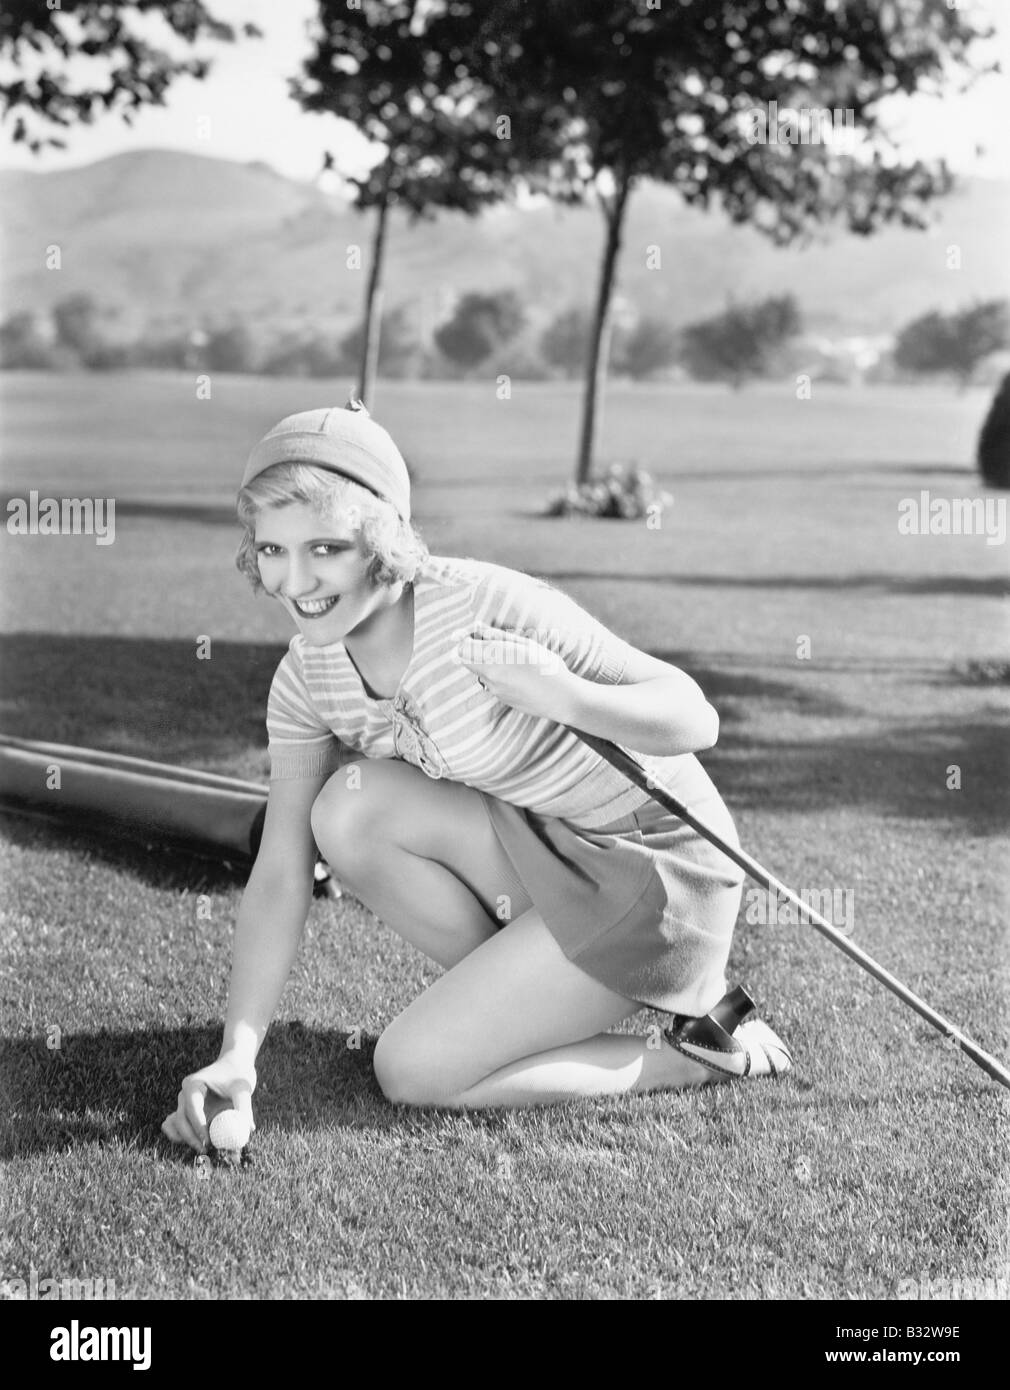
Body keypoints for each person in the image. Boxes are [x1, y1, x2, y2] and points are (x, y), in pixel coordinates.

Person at [162, 402, 790, 1152]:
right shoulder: (306, 679)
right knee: (347, 810)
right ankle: (520, 1002)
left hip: (656, 866)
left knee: (412, 1070)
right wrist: (239, 1054)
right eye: (272, 550)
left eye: (325, 547)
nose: (296, 581)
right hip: (543, 845)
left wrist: (561, 695)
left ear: (380, 537)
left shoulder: (484, 605)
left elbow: (695, 718)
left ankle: (697, 1051)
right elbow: (280, 870)